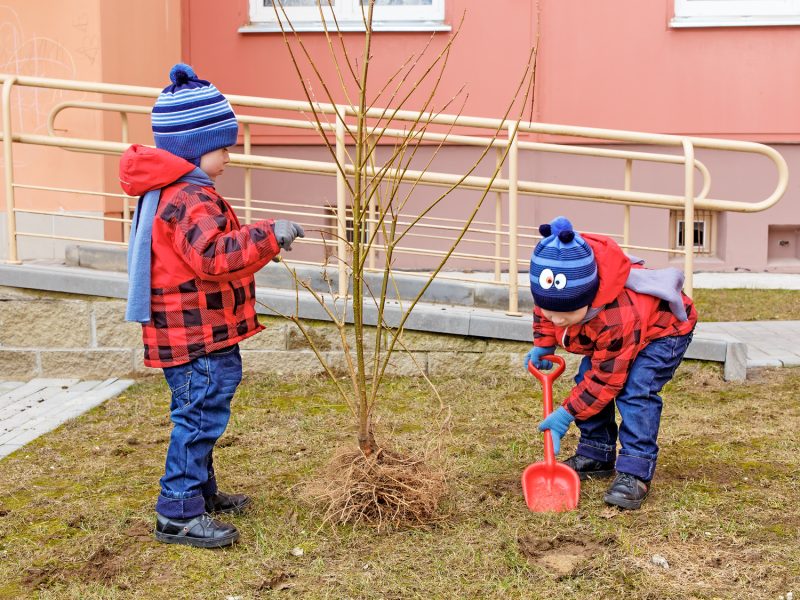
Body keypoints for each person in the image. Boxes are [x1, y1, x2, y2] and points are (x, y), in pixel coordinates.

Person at [121, 63, 304, 548]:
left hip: (196, 331)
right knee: (198, 418)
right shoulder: (189, 198)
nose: (229, 155)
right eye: (223, 147)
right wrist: (269, 234)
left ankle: (201, 494)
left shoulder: (176, 190)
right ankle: (177, 512)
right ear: (194, 148)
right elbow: (213, 258)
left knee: (201, 413)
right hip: (195, 336)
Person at [523, 216, 696, 510]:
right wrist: (543, 341)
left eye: (565, 315)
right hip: (613, 338)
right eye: (551, 313)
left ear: (590, 298)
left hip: (662, 332)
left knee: (634, 391)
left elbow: (606, 379)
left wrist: (565, 415)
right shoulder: (554, 288)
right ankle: (597, 452)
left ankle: (635, 472)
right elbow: (545, 309)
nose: (557, 321)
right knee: (584, 383)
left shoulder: (614, 317)